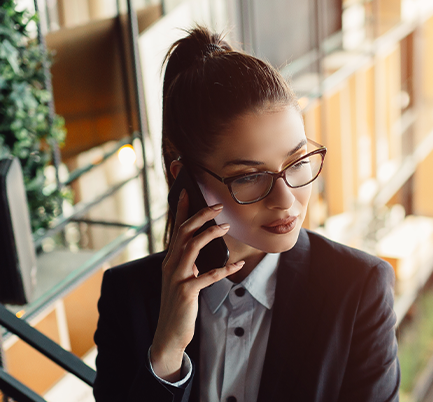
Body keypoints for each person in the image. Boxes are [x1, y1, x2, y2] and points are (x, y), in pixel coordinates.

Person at [92, 25, 401, 402]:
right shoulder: (130, 297)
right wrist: (167, 354)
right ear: (186, 180)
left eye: (298, 161)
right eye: (251, 177)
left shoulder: (357, 289)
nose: (286, 200)